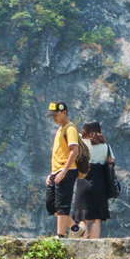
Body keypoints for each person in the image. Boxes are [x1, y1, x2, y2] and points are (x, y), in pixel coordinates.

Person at [69, 120, 118, 239]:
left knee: (82, 217)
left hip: (83, 184)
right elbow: (111, 163)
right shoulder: (106, 147)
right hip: (100, 186)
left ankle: (82, 242)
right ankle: (94, 244)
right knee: (96, 219)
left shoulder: (82, 145)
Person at [44, 100, 81, 236]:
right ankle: (75, 229)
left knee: (62, 205)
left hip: (67, 170)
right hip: (57, 171)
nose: (54, 117)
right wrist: (52, 173)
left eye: (56, 115)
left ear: (64, 113)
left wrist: (64, 172)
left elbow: (74, 151)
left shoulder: (70, 128)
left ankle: (61, 235)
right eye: (52, 115)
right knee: (51, 204)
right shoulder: (60, 129)